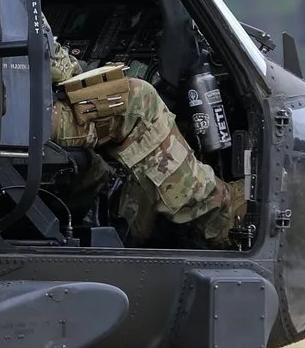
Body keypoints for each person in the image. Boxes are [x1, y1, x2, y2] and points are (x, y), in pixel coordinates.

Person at [48, 44, 246, 243]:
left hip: (28, 112)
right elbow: (57, 67)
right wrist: (80, 71)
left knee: (98, 165)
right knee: (140, 100)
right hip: (34, 116)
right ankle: (219, 216)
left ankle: (121, 207)